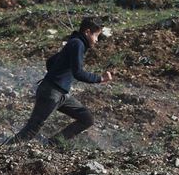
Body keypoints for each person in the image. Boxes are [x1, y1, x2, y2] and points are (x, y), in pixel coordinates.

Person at [9, 17, 113, 145]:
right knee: (30, 131)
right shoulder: (77, 44)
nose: (97, 40)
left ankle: (52, 144)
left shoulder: (74, 43)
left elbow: (51, 62)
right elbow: (78, 73)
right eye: (96, 36)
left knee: (87, 119)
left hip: (60, 93)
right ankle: (1, 150)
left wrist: (57, 76)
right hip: (52, 93)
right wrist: (100, 79)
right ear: (87, 32)